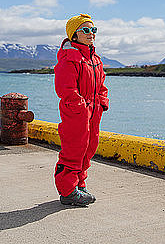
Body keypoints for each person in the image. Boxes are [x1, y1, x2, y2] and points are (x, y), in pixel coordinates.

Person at [54, 13, 109, 207]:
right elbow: (65, 89)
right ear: (74, 35)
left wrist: (102, 102)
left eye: (93, 29)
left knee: (88, 148)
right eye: (86, 30)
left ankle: (79, 184)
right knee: (73, 150)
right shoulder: (69, 58)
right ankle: (68, 191)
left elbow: (101, 84)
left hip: (93, 113)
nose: (91, 33)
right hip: (76, 113)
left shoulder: (95, 58)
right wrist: (80, 108)